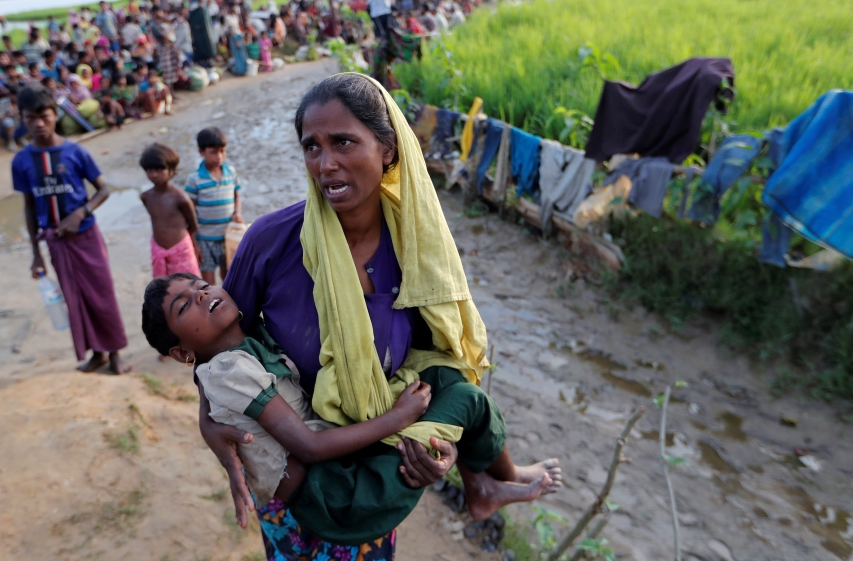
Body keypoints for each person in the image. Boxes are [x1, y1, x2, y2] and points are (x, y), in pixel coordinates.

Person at [202, 74, 563, 558]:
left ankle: (481, 486)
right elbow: (216, 344)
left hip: (380, 457)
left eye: (344, 142)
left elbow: (435, 361)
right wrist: (208, 423)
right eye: (312, 146)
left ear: (389, 148)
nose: (325, 164)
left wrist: (444, 453)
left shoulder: (417, 245)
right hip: (298, 473)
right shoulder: (271, 243)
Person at [12, 84, 131, 374]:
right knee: (74, 298)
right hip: (55, 242)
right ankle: (96, 354)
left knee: (101, 293)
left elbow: (103, 190)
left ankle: (115, 354)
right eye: (31, 118)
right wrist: (35, 254)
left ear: (56, 114)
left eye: (45, 116)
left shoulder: (75, 152)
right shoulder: (21, 161)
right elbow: (29, 206)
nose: (39, 124)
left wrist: (81, 213)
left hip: (86, 236)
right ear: (23, 120)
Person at [183, 127, 243, 285]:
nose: (219, 156)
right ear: (201, 152)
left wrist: (237, 212)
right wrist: (194, 242)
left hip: (227, 237)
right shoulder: (194, 179)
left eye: (223, 151)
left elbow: (237, 195)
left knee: (229, 277)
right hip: (205, 240)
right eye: (214, 152)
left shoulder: (230, 172)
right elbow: (189, 211)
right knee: (208, 283)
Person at [140, 143, 201, 282]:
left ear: (171, 170)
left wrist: (195, 245)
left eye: (159, 169)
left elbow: (192, 224)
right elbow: (156, 219)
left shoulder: (180, 198)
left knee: (189, 284)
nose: (154, 174)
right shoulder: (146, 197)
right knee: (164, 288)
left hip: (181, 250)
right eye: (149, 170)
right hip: (158, 249)